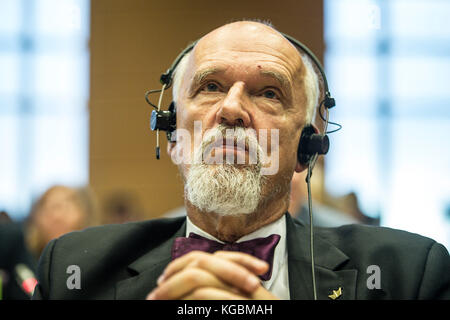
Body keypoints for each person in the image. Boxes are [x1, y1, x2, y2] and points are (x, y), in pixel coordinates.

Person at [32, 21, 449, 300]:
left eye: (269, 92)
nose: (232, 109)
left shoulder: (408, 273)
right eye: (211, 86)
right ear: (173, 133)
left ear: (307, 147)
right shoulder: (73, 271)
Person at [0, 185, 97, 299]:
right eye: (49, 207)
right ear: (36, 217)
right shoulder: (19, 248)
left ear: (83, 214)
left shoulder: (95, 261)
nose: (56, 216)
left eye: (65, 207)